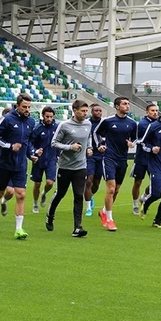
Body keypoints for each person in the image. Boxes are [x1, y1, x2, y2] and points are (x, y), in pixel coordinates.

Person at [0, 93, 40, 239]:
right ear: (17, 106)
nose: (27, 109)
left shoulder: (31, 122)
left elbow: (27, 142)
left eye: (29, 107)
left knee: (21, 195)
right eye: (24, 107)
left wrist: (32, 154)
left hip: (21, 165)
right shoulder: (7, 119)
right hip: (4, 163)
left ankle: (19, 229)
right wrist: (10, 146)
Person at [45, 100, 93, 237]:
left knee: (79, 195)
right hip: (65, 166)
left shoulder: (88, 124)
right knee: (61, 193)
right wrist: (70, 147)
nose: (85, 113)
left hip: (81, 166)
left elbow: (88, 138)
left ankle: (77, 227)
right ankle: (50, 215)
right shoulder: (64, 125)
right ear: (75, 110)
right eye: (82, 111)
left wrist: (89, 148)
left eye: (86, 111)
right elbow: (54, 143)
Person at [93, 96, 137, 231]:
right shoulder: (107, 121)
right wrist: (99, 145)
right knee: (111, 189)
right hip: (109, 158)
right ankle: (110, 219)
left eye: (128, 104)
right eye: (124, 104)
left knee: (116, 190)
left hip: (123, 159)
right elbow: (95, 133)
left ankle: (103, 212)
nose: (127, 106)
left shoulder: (132, 123)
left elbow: (136, 139)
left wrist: (132, 143)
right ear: (117, 106)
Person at [130, 103, 159, 215]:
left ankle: (144, 197)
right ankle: (135, 204)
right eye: (152, 110)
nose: (155, 112)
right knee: (137, 182)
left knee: (156, 181)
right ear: (147, 112)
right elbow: (140, 141)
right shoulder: (143, 124)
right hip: (142, 157)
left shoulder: (159, 124)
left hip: (154, 158)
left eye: (156, 110)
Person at [30, 106, 59, 213]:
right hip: (39, 160)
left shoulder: (57, 128)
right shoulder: (37, 129)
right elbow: (31, 143)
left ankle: (44, 193)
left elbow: (59, 142)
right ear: (43, 116)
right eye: (47, 116)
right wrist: (35, 152)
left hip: (51, 159)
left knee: (50, 183)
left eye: (51, 117)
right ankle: (35, 203)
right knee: (37, 184)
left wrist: (58, 154)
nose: (49, 119)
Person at [84, 103, 104, 217]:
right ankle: (88, 208)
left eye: (100, 111)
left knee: (96, 183)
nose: (98, 112)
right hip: (89, 155)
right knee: (89, 180)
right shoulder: (87, 123)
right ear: (91, 112)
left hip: (101, 156)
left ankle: (90, 196)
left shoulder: (104, 123)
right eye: (96, 111)